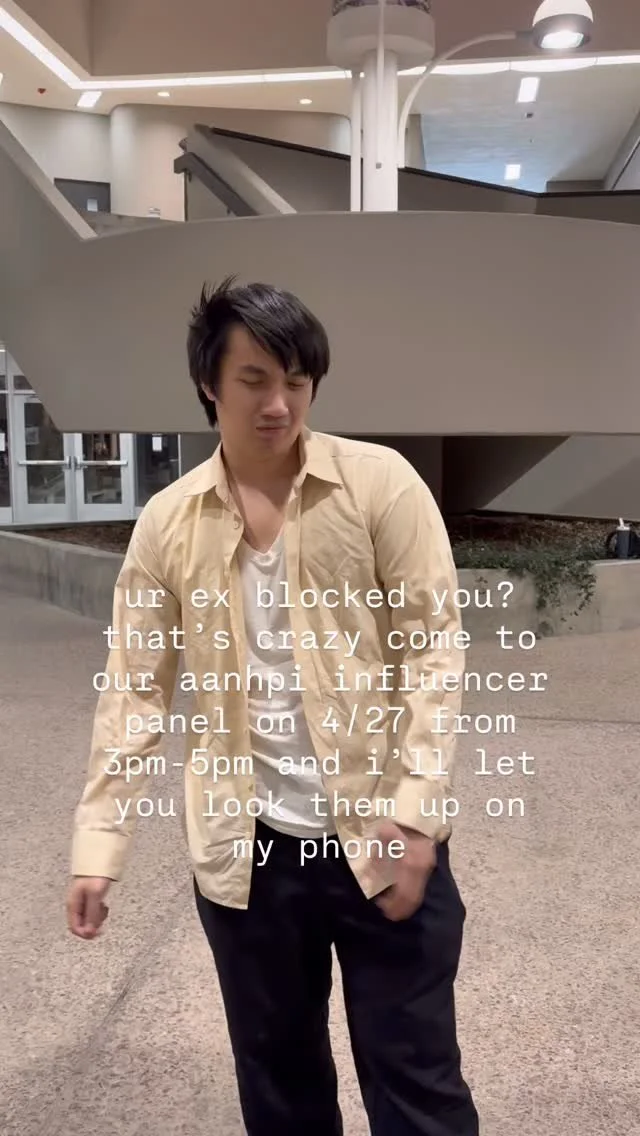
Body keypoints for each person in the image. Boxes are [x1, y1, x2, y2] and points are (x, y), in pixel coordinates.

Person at [66, 277, 479, 1136]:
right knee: (280, 1090)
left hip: (377, 832)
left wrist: (415, 814)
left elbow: (433, 653)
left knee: (418, 1085)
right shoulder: (169, 522)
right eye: (254, 379)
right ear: (209, 384)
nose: (279, 403)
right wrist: (99, 846)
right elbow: (135, 687)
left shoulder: (379, 486)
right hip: (245, 855)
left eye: (296, 380)